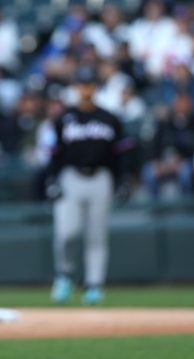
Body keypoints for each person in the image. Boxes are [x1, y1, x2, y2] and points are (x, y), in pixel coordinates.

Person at [44, 65, 133, 305]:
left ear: (95, 87)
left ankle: (94, 285)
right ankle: (65, 274)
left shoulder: (109, 118)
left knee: (96, 236)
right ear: (76, 87)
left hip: (101, 178)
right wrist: (52, 178)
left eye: (89, 84)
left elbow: (121, 155)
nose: (85, 88)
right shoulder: (64, 118)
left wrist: (122, 179)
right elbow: (54, 154)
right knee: (66, 233)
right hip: (70, 177)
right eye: (81, 84)